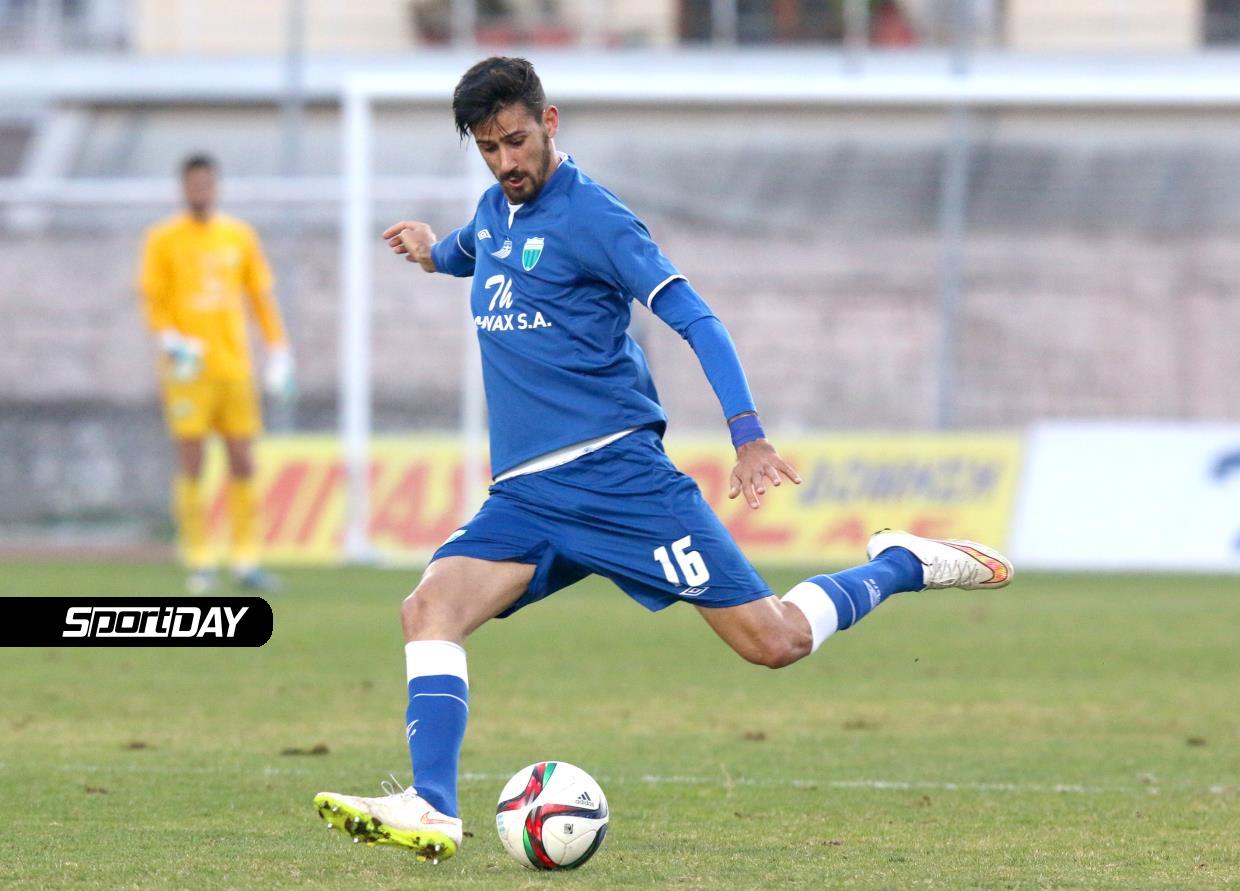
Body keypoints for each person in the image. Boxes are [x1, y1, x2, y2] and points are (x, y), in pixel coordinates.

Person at [313, 57, 1012, 863]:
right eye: (488, 148)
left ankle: (901, 563)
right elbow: (477, 250)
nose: (506, 162)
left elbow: (696, 318)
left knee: (774, 641)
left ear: (549, 122)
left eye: (516, 140)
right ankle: (433, 804)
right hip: (526, 497)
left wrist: (747, 432)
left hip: (618, 478)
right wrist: (432, 252)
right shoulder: (494, 210)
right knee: (428, 608)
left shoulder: (597, 218)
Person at [138, 153, 294, 594]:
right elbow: (153, 300)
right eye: (193, 184)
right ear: (183, 188)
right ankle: (200, 559)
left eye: (206, 184)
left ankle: (246, 559)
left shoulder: (238, 236)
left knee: (242, 460)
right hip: (187, 371)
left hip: (233, 366)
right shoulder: (162, 239)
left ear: (216, 186)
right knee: (193, 461)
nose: (200, 191)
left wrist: (279, 349)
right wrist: (170, 340)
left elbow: (259, 297)